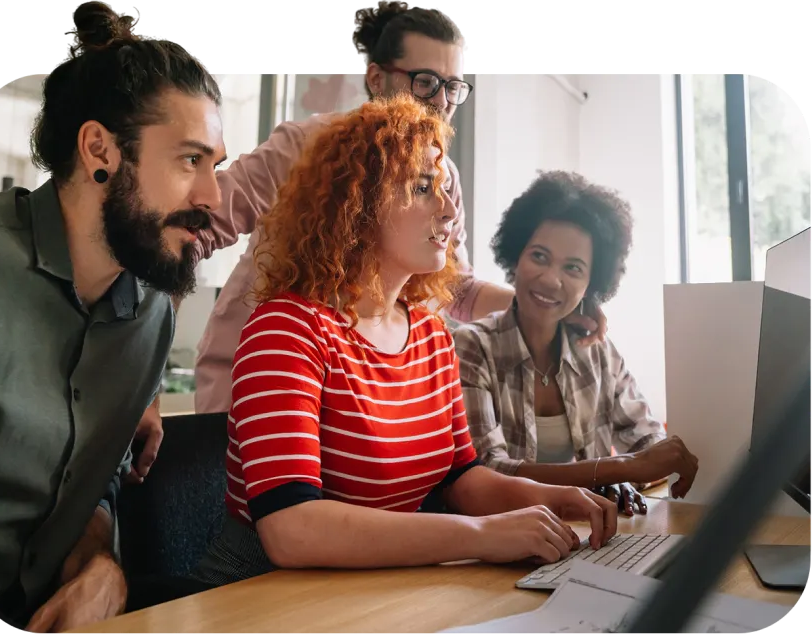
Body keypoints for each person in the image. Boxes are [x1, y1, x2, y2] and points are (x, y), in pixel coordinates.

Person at [126, 1, 610, 444]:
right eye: (425, 82)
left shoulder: (445, 177)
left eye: (453, 87)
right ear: (377, 78)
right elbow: (186, 235)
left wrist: (547, 306)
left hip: (361, 398)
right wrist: (141, 385)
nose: (440, 101)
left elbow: (453, 288)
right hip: (262, 385)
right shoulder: (307, 146)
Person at [189, 94, 619, 589]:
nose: (448, 208)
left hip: (373, 588)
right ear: (358, 206)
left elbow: (461, 480)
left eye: (443, 188)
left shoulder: (431, 334)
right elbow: (292, 530)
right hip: (255, 592)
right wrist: (481, 534)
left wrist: (548, 496)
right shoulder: (286, 329)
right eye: (421, 187)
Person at [0, 2, 226, 631]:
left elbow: (92, 483)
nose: (212, 198)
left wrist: (100, 566)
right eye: (190, 160)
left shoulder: (148, 322)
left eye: (214, 166)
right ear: (98, 150)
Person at [454, 171, 700, 517]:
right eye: (539, 256)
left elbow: (647, 441)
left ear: (591, 285)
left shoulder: (598, 352)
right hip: (501, 544)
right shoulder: (470, 347)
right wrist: (618, 469)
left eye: (573, 268)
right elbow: (489, 470)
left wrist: (632, 476)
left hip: (589, 537)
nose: (551, 279)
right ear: (516, 257)